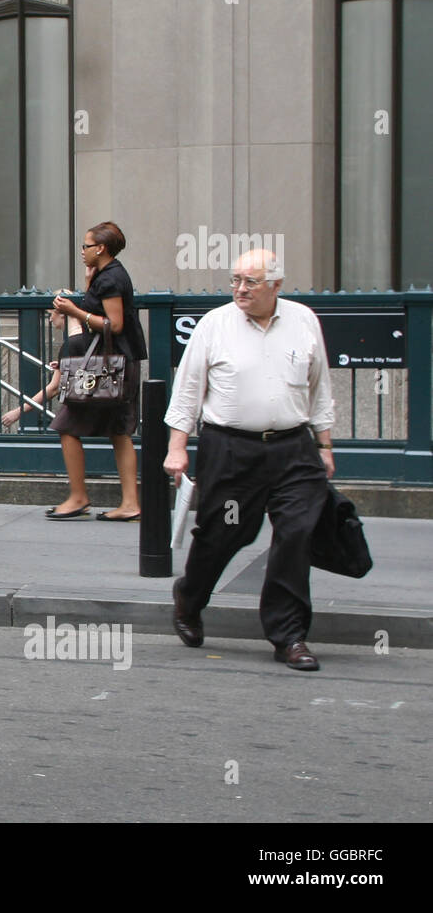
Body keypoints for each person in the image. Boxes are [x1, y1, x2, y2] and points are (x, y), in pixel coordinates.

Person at [163, 248, 334, 671]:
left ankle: (289, 635)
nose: (240, 289)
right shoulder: (215, 324)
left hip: (294, 450)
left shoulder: (303, 320)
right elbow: (188, 390)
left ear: (276, 284)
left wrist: (325, 445)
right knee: (228, 530)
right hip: (232, 451)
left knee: (296, 535)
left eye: (250, 282)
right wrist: (176, 446)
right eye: (235, 279)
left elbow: (320, 386)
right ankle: (191, 595)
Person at [48, 221, 147, 521]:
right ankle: (129, 503)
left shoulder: (112, 279)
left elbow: (112, 325)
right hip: (118, 364)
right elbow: (102, 311)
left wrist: (73, 311)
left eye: (86, 246)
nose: (82, 251)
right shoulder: (107, 275)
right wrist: (89, 279)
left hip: (108, 366)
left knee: (67, 426)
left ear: (100, 248)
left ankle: (79, 496)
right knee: (119, 432)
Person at [1, 294, 82, 429]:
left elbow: (54, 388)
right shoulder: (88, 337)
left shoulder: (71, 345)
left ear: (62, 314)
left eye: (51, 314)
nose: (50, 319)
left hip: (77, 411)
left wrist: (18, 412)